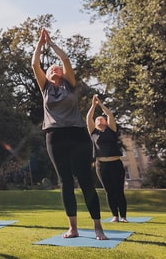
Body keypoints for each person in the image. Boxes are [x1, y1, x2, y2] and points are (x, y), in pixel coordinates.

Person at [32, 28, 108, 240]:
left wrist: (51, 43)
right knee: (65, 181)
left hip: (77, 135)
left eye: (57, 68)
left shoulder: (70, 84)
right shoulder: (45, 88)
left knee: (85, 180)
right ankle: (73, 228)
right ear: (46, 76)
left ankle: (97, 227)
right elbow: (34, 64)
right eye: (50, 69)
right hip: (54, 136)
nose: (54, 68)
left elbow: (64, 58)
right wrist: (40, 42)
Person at [87, 95, 128, 223]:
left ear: (105, 121)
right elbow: (88, 118)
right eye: (97, 119)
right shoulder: (93, 132)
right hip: (101, 165)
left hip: (115, 164)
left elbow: (109, 115)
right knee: (109, 191)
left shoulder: (111, 129)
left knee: (119, 190)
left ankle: (123, 216)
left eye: (101, 118)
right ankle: (115, 216)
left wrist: (100, 104)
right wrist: (93, 106)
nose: (99, 119)